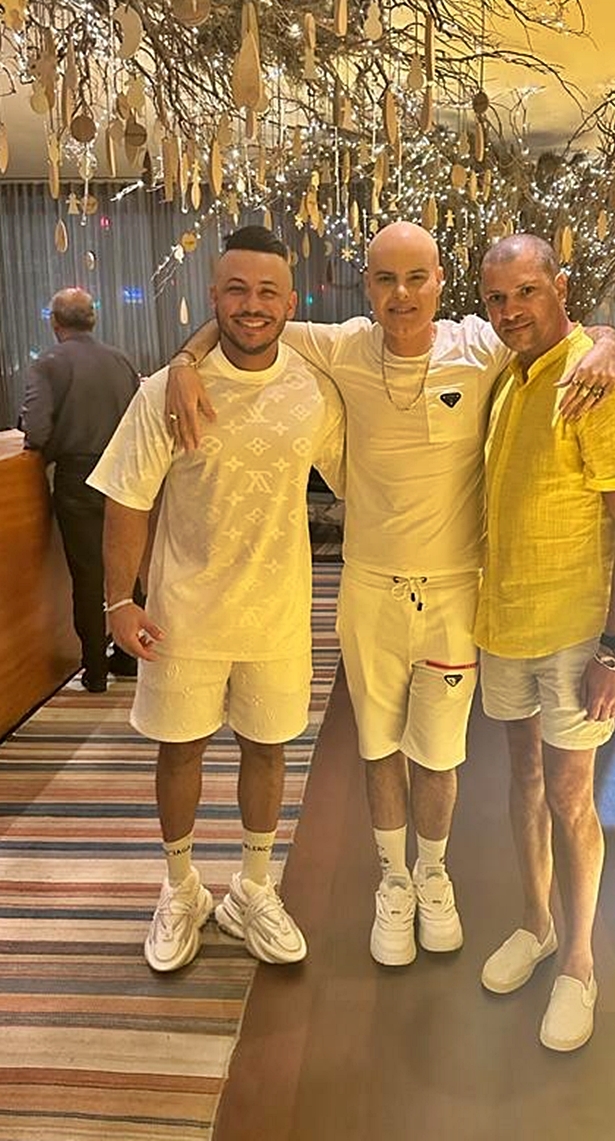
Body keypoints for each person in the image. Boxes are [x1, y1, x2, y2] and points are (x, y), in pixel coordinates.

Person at [166, 221, 615, 968]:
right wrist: (187, 360)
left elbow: (562, 331)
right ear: (368, 287)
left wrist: (609, 341)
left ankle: (434, 876)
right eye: (385, 279)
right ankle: (393, 881)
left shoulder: (480, 345)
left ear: (440, 282)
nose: (401, 294)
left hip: (452, 593)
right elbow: (251, 318)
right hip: (368, 588)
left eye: (416, 277)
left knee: (438, 755)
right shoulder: (344, 346)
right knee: (379, 746)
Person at [87, 226, 345, 972]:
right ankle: (181, 888)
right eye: (236, 289)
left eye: (267, 291)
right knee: (180, 751)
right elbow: (127, 498)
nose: (251, 304)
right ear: (214, 297)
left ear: (290, 304)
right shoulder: (164, 392)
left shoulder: (315, 390)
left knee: (269, 749)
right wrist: (118, 602)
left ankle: (253, 889)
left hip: (277, 613)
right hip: (183, 615)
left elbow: (365, 476)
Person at [475, 234, 615, 1051]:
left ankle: (580, 962)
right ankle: (536, 922)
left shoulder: (599, 385)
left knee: (570, 796)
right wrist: (609, 335)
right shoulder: (513, 377)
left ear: (560, 286)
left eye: (526, 291)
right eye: (497, 297)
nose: (511, 309)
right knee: (522, 780)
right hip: (508, 622)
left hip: (578, 634)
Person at [21, 288, 140, 692]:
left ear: (55, 323)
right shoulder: (121, 360)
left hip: (79, 478)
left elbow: (36, 430)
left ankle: (95, 670)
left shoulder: (48, 363)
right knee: (126, 565)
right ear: (93, 320)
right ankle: (129, 656)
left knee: (88, 574)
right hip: (125, 475)